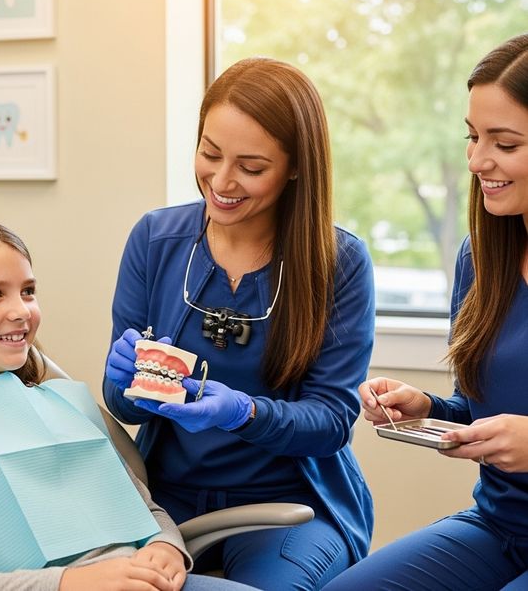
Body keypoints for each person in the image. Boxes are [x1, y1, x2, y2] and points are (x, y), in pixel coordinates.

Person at [103, 57, 376, 590]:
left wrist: (243, 413)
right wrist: (121, 383)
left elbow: (330, 422)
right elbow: (124, 410)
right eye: (209, 153)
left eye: (251, 167)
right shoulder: (155, 241)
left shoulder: (339, 262)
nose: (222, 181)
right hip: (163, 501)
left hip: (293, 502)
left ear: (296, 167)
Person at [0, 219, 256, 591]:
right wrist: (67, 583)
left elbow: (148, 512)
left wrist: (166, 547)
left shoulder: (63, 405)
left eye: (28, 291)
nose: (21, 310)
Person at [323, 34, 528, 590]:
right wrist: (429, 408)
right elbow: (486, 411)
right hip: (500, 526)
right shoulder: (482, 259)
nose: (477, 160)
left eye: (504, 144)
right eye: (472, 136)